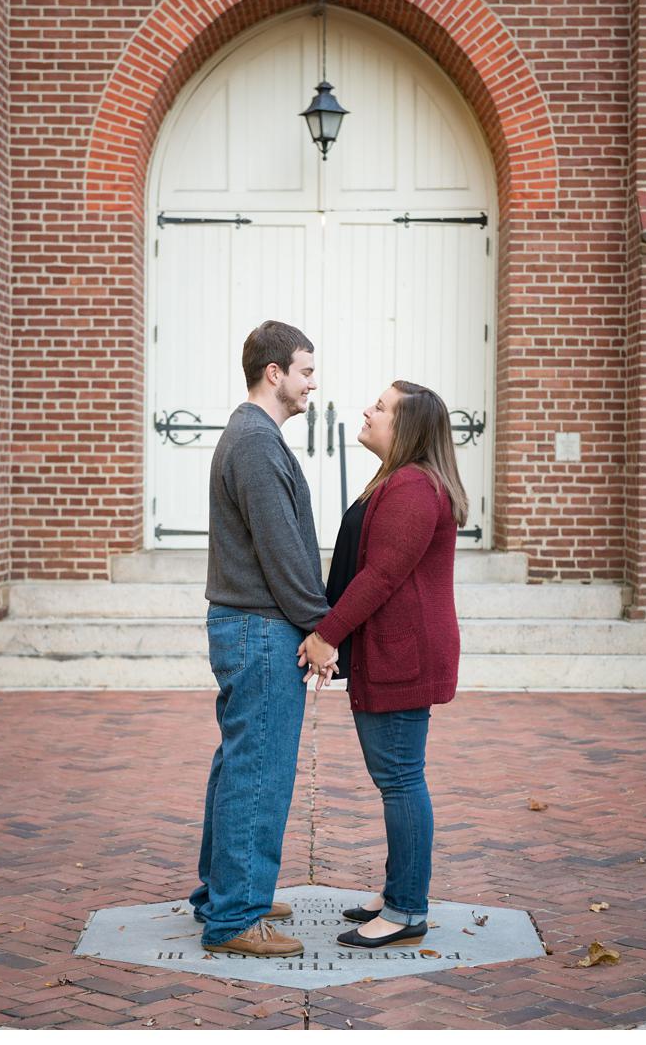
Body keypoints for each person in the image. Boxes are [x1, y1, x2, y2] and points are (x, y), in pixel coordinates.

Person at [297, 382, 465, 950]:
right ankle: (401, 888)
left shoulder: (414, 487)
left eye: (381, 408)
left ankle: (407, 908)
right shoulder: (401, 480)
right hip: (395, 649)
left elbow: (382, 576)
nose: (367, 411)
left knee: (399, 778)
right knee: (397, 777)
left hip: (405, 653)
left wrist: (326, 636)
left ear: (409, 428)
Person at [188, 320, 328, 958]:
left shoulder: (253, 437)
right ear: (274, 372)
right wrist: (322, 627)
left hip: (250, 625)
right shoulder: (254, 441)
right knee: (259, 769)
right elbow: (282, 552)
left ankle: (224, 892)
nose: (311, 383)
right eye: (304, 370)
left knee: (239, 762)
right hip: (261, 628)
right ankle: (236, 918)